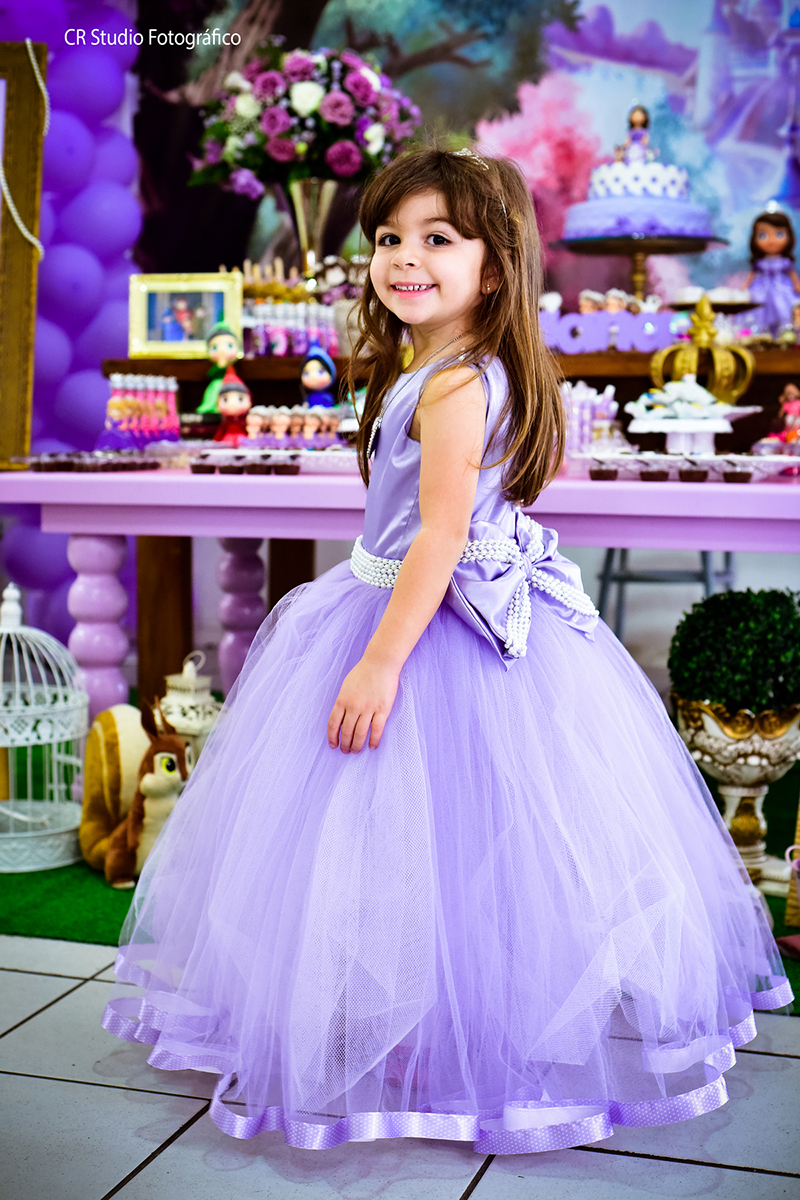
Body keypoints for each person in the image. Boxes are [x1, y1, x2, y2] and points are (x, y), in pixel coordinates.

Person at [103, 147, 790, 1156]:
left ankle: (444, 1033)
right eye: (389, 238)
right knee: (440, 844)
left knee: (431, 838)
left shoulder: (454, 384)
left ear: (495, 268)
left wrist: (380, 661)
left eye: (437, 239)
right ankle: (424, 1019)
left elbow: (439, 536)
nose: (403, 258)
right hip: (421, 606)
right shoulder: (439, 369)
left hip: (425, 626)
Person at [745, 209, 800, 337]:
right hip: (761, 290)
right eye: (763, 235)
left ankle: (786, 333)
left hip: (782, 289)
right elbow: (752, 275)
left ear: (789, 236)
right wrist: (745, 287)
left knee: (785, 309)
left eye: (779, 234)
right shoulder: (759, 262)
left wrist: (797, 285)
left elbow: (792, 273)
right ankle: (760, 335)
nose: (771, 240)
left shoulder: (785, 261)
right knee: (758, 311)